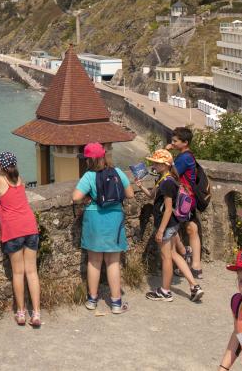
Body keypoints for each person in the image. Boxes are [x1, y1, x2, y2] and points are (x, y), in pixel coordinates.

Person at [71, 142, 134, 313]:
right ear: (104, 156)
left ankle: (92, 300)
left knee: (94, 261)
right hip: (114, 218)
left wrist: (87, 199)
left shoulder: (89, 176)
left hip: (94, 218)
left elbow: (75, 197)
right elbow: (130, 194)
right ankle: (116, 303)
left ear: (88, 160)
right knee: (113, 262)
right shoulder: (118, 172)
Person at [135, 149, 204, 303]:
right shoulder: (165, 179)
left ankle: (165, 292)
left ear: (165, 165)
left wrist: (160, 231)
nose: (153, 165)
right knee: (174, 254)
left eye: (157, 163)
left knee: (166, 257)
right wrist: (140, 186)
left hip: (166, 225)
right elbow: (152, 196)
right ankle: (194, 286)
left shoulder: (167, 183)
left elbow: (167, 209)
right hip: (172, 224)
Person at [0, 151, 41, 327]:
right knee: (31, 272)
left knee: (18, 273)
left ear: (1, 167)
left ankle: (21, 313)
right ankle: (36, 314)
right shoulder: (20, 179)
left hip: (13, 230)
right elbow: (5, 170)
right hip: (30, 227)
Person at [167, 126, 203, 279]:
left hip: (184, 199)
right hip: (189, 198)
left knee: (171, 228)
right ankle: (195, 265)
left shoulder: (184, 157)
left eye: (175, 141)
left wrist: (167, 153)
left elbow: (171, 173)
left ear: (185, 142)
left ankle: (185, 257)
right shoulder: (187, 155)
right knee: (191, 228)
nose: (172, 143)